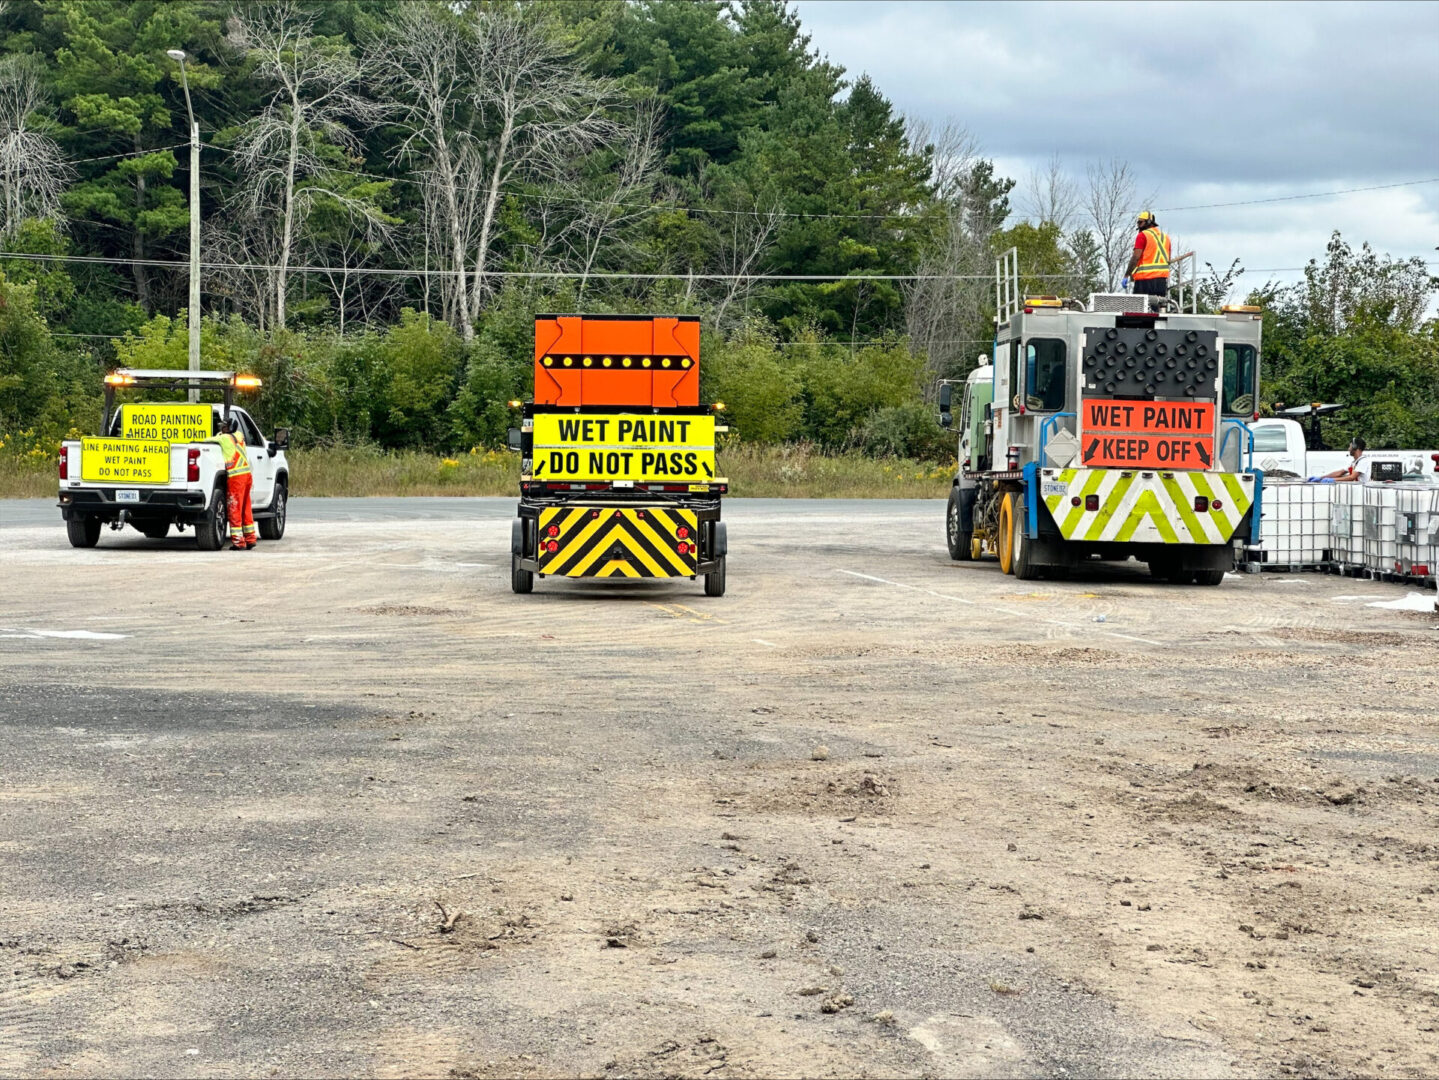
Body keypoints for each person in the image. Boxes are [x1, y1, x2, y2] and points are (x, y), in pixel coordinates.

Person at [206, 414, 257, 549]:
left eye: (222, 426)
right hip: (246, 475)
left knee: (234, 507)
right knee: (246, 508)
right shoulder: (239, 435)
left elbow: (208, 440)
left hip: (236, 478)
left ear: (227, 427)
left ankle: (238, 542)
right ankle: (250, 538)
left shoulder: (223, 438)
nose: (221, 428)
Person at [1124, 211, 1171, 299]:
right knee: (1157, 309)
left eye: (1140, 222)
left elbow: (1135, 258)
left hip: (1145, 280)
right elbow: (1168, 259)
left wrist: (1126, 275)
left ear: (1148, 222)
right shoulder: (1165, 237)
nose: (1138, 225)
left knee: (1140, 309)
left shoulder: (1142, 235)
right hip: (1161, 281)